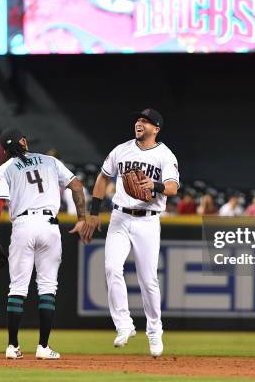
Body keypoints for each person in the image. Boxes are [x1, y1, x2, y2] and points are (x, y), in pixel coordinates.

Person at [83, 108, 179, 358]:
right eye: (138, 119)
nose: (139, 123)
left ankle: (154, 331)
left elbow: (172, 187)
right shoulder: (120, 150)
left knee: (148, 279)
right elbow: (103, 178)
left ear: (156, 129)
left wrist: (155, 185)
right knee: (112, 268)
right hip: (119, 216)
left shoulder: (164, 155)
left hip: (148, 220)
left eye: (146, 121)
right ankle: (124, 325)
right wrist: (94, 211)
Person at [0, 128, 88, 360]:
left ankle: (12, 346)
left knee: (17, 288)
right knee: (48, 287)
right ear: (23, 141)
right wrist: (82, 219)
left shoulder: (5, 168)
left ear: (4, 150)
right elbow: (78, 186)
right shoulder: (50, 161)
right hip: (49, 226)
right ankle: (43, 347)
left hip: (23, 225)